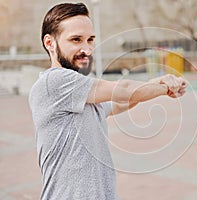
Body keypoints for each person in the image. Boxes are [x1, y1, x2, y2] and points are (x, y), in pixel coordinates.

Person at [29, 3, 186, 200]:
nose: (86, 49)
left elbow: (120, 102)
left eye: (90, 40)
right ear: (50, 43)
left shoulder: (80, 90)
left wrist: (155, 83)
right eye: (76, 40)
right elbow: (125, 91)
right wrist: (166, 87)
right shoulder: (54, 82)